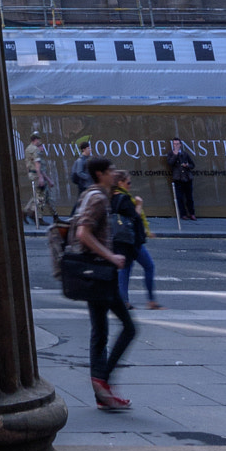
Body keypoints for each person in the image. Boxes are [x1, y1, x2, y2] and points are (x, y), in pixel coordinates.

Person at [68, 158, 135, 410]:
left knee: (100, 332)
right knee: (129, 328)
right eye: (109, 171)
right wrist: (111, 256)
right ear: (100, 173)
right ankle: (102, 381)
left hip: (93, 275)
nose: (114, 174)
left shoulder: (91, 195)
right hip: (100, 273)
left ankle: (102, 394)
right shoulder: (96, 198)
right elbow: (82, 233)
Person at [114, 179, 162, 311]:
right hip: (131, 240)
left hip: (125, 239)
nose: (130, 185)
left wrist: (146, 231)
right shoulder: (123, 198)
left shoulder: (115, 196)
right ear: (120, 182)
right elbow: (134, 217)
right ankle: (149, 301)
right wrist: (139, 205)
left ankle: (125, 301)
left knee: (126, 268)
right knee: (147, 266)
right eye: (128, 182)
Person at [168, 140, 198, 221]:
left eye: (177, 144)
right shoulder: (171, 154)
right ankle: (183, 214)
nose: (176, 145)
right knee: (179, 198)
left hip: (187, 178)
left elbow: (193, 165)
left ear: (180, 144)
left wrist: (187, 165)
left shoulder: (185, 154)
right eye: (174, 144)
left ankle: (192, 213)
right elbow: (170, 163)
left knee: (189, 198)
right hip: (178, 178)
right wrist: (175, 154)